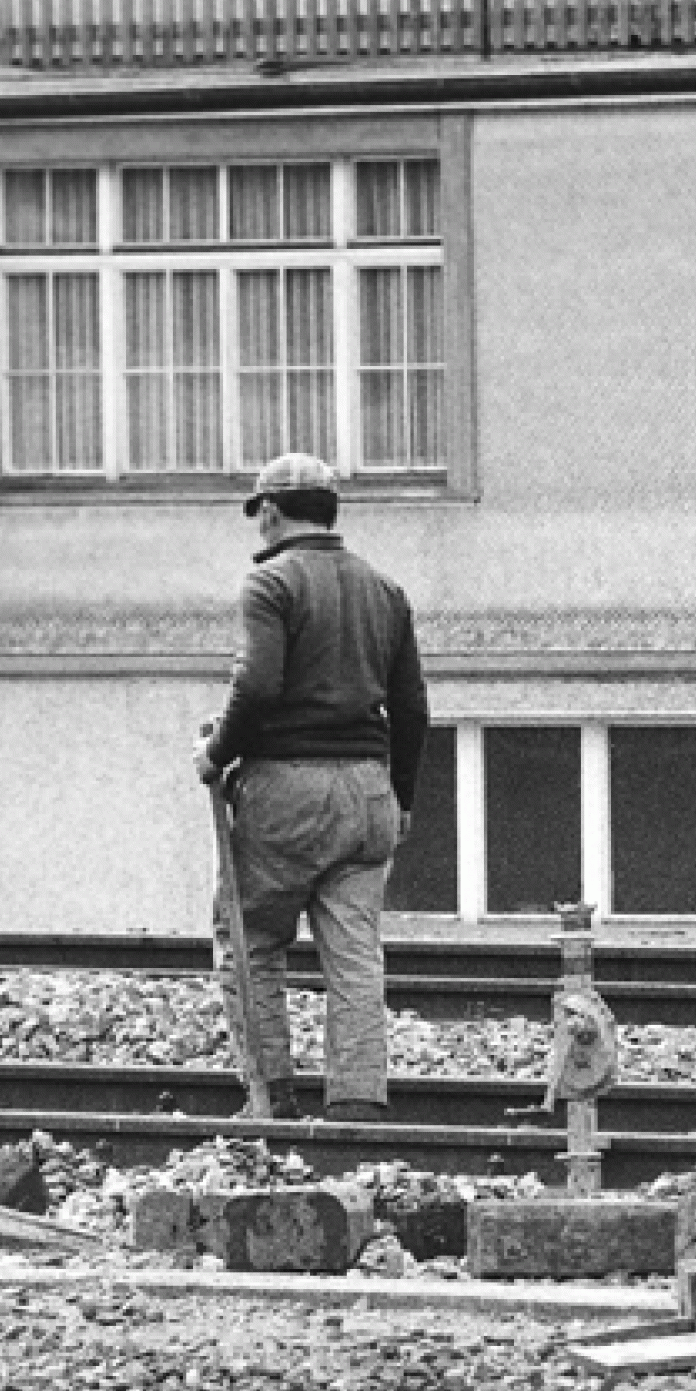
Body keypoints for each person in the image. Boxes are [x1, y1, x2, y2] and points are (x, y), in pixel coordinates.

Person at [195, 453, 429, 1123]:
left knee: (251, 939)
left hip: (288, 792)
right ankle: (358, 1104)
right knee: (355, 954)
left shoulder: (270, 584)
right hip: (370, 793)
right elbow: (412, 709)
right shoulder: (385, 591)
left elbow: (259, 684)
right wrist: (404, 798)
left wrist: (217, 753)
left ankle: (271, 1098)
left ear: (269, 511)